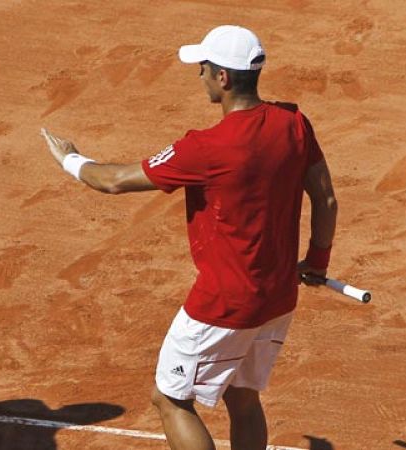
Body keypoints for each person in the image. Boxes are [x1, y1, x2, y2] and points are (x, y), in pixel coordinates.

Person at [42, 25, 337, 450]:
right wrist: (317, 262)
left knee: (169, 399)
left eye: (203, 68)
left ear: (223, 78)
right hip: (277, 296)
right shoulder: (294, 123)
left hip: (222, 304)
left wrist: (70, 158)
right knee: (242, 396)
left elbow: (114, 181)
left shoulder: (206, 148)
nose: (198, 74)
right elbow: (325, 199)